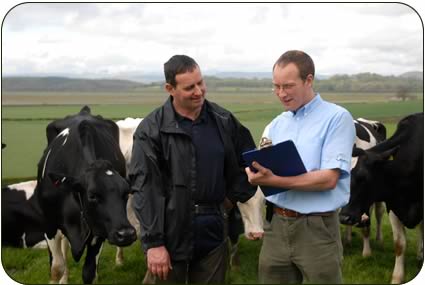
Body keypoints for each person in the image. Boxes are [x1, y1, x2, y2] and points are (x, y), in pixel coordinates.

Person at [129, 54, 257, 284]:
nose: (199, 91)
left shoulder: (223, 120)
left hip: (213, 230)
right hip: (169, 232)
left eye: (201, 83)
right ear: (170, 88)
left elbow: (249, 162)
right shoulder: (151, 129)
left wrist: (229, 200)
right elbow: (144, 187)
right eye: (190, 87)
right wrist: (154, 243)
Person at [245, 50, 355, 284]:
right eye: (276, 86)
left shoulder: (337, 118)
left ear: (309, 80)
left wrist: (274, 181)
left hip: (317, 228)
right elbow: (264, 169)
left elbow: (328, 179)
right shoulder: (276, 125)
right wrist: (254, 174)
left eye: (288, 86)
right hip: (276, 226)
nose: (281, 94)